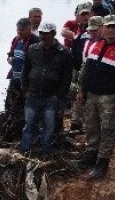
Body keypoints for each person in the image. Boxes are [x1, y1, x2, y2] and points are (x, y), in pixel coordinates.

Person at [74, 15, 115, 178]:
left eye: (113, 26)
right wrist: (81, 89)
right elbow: (85, 69)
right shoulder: (96, 43)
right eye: (107, 26)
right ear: (103, 28)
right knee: (91, 126)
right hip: (91, 94)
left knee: (107, 129)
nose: (110, 29)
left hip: (109, 97)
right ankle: (91, 154)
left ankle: (103, 162)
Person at [20, 22, 73, 157]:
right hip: (32, 95)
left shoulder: (64, 52)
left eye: (46, 33)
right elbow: (25, 72)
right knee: (29, 125)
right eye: (41, 33)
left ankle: (45, 152)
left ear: (54, 34)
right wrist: (25, 90)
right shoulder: (32, 49)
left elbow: (67, 78)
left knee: (49, 127)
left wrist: (58, 96)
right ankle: (25, 151)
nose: (42, 36)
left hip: (51, 98)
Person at [2, 18, 40, 141]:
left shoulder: (36, 42)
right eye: (18, 30)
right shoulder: (16, 39)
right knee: (10, 106)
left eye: (22, 31)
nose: (19, 33)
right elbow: (10, 54)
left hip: (28, 83)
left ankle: (26, 136)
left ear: (29, 29)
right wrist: (10, 59)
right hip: (14, 79)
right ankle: (11, 132)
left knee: (27, 109)